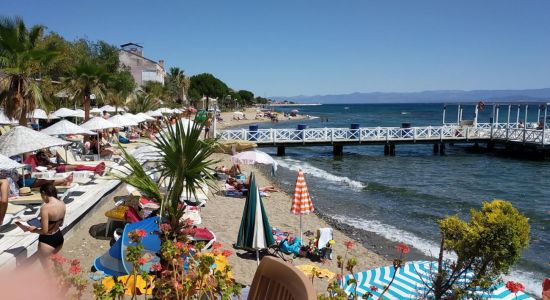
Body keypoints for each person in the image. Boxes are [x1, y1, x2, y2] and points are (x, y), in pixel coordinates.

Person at [18, 183, 66, 269]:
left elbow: (44, 231)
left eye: (41, 195)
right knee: (59, 266)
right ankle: (63, 282)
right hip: (59, 236)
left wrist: (33, 229)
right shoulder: (62, 203)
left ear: (44, 193)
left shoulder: (45, 207)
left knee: (48, 271)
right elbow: (61, 223)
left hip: (47, 241)